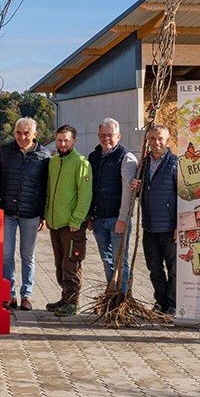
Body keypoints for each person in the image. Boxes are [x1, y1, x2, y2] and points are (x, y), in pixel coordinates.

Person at [0, 118, 44, 310]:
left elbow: (46, 187)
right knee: (6, 254)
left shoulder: (43, 156)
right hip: (8, 211)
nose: (22, 137)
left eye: (26, 133)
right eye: (18, 133)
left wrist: (44, 216)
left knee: (27, 255)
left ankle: (27, 295)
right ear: (14, 133)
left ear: (34, 134)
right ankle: (8, 293)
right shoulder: (5, 151)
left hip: (31, 213)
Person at [45, 124, 92, 317]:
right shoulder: (54, 162)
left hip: (72, 226)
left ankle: (73, 302)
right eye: (59, 140)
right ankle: (65, 297)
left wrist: (76, 219)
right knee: (59, 263)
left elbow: (85, 195)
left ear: (74, 141)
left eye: (66, 140)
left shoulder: (82, 163)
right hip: (55, 223)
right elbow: (49, 191)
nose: (62, 144)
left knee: (71, 263)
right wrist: (48, 214)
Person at [131, 124, 178, 315]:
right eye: (152, 139)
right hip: (149, 226)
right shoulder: (143, 164)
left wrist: (178, 225)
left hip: (169, 227)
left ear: (167, 140)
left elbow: (182, 196)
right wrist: (136, 188)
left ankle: (173, 304)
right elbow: (140, 193)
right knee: (154, 268)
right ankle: (160, 301)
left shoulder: (175, 163)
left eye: (160, 138)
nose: (156, 142)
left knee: (173, 269)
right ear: (148, 141)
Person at [88, 118, 138, 293]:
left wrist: (123, 218)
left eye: (110, 135)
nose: (106, 139)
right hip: (99, 219)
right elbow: (90, 188)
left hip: (117, 219)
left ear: (119, 136)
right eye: (102, 135)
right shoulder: (93, 157)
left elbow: (128, 192)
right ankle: (112, 293)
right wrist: (89, 215)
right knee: (106, 260)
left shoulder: (126, 157)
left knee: (120, 260)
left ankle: (122, 297)